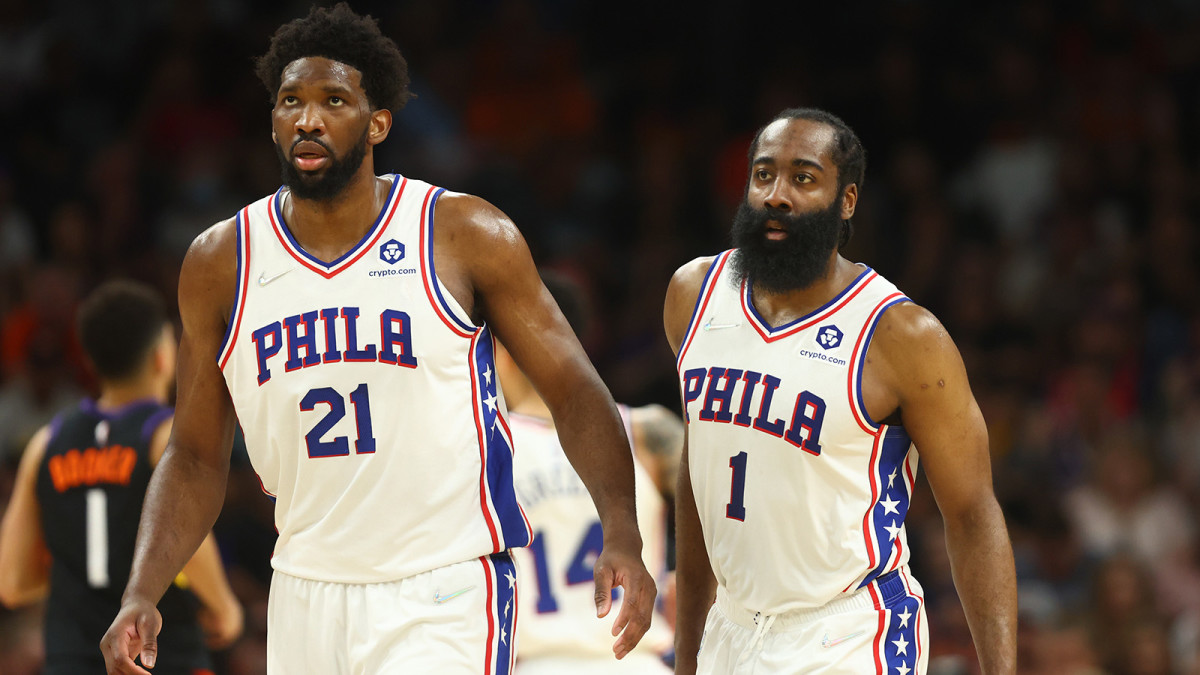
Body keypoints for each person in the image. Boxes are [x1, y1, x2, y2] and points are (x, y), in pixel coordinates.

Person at [100, 4, 654, 674]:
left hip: (443, 583)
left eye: (334, 100)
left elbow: (571, 387)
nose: (308, 118)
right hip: (304, 586)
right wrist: (143, 589)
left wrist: (622, 526)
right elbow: (193, 454)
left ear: (378, 121)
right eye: (290, 101)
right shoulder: (222, 262)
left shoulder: (460, 233)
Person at [664, 108, 1017, 674]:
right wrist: (688, 656)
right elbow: (696, 472)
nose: (777, 195)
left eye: (803, 178)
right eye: (763, 175)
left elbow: (973, 512)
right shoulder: (694, 293)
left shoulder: (901, 334)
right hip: (732, 629)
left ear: (846, 200)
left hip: (849, 632)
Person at [0, 280, 242, 674]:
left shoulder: (45, 444)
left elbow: (11, 582)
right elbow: (185, 540)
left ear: (91, 361)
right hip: (163, 658)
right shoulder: (165, 438)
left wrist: (76, 583)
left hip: (70, 660)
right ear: (162, 355)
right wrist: (225, 608)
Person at [500, 273, 681, 674]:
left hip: (534, 664)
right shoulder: (646, 431)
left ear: (503, 349)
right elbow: (738, 512)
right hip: (638, 664)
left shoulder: (484, 445)